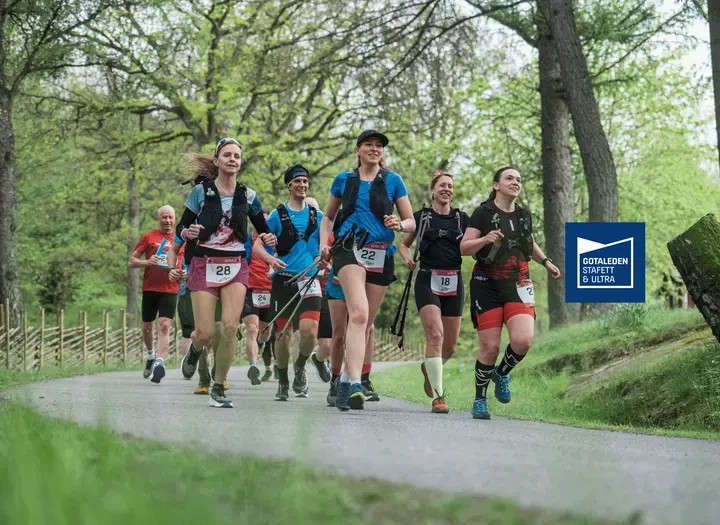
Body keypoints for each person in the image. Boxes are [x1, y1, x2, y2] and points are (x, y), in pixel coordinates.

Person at [168, 137, 275, 408]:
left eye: (236, 156)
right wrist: (188, 232)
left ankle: (218, 386)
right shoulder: (201, 192)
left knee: (229, 327)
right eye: (227, 155)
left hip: (236, 265)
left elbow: (263, 228)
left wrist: (269, 237)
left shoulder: (248, 195)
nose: (232, 159)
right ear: (217, 161)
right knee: (205, 333)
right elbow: (182, 227)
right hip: (204, 263)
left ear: (240, 162)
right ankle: (195, 349)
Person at [319, 130, 415, 411]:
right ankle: (354, 383)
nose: (375, 149)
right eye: (369, 145)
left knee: (365, 323)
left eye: (379, 146)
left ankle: (346, 380)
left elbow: (411, 221)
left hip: (381, 253)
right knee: (358, 314)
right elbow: (328, 217)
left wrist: (400, 225)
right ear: (358, 150)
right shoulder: (344, 179)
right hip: (349, 249)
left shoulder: (393, 181)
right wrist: (323, 243)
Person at [459, 166, 561, 420]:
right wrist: (485, 240)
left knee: (523, 340)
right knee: (490, 347)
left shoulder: (524, 215)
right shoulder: (483, 213)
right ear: (496, 185)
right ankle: (480, 399)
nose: (515, 182)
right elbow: (464, 248)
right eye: (509, 178)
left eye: (518, 179)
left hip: (519, 283)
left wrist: (546, 262)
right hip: (487, 285)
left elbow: (529, 242)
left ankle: (501, 373)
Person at [399, 170, 469, 414]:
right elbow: (404, 245)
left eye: (450, 186)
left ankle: (428, 367)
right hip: (428, 280)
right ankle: (439, 397)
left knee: (449, 347)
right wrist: (407, 258)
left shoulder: (462, 219)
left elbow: (473, 242)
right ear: (433, 190)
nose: (446, 189)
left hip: (455, 281)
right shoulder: (422, 217)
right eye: (442, 185)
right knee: (436, 336)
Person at [254, 164, 324, 402]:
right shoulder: (277, 215)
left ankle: (300, 366)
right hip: (284, 281)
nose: (302, 185)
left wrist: (324, 258)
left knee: (310, 332)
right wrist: (271, 260)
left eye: (305, 181)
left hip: (310, 279)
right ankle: (283, 380)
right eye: (297, 181)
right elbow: (258, 245)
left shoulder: (317, 216)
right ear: (289, 185)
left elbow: (327, 243)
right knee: (283, 335)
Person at [128, 205, 184, 384]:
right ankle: (151, 355)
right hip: (150, 288)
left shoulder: (181, 239)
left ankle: (160, 361)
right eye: (164, 217)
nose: (167, 220)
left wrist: (184, 273)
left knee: (165, 325)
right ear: (158, 219)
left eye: (170, 217)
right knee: (147, 327)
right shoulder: (149, 237)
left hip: (170, 289)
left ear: (175, 219)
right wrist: (147, 262)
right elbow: (131, 262)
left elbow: (189, 264)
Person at [241, 210, 275, 384]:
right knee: (252, 328)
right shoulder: (246, 240)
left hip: (269, 289)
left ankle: (260, 345)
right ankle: (253, 366)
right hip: (250, 288)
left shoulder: (274, 241)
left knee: (265, 333)